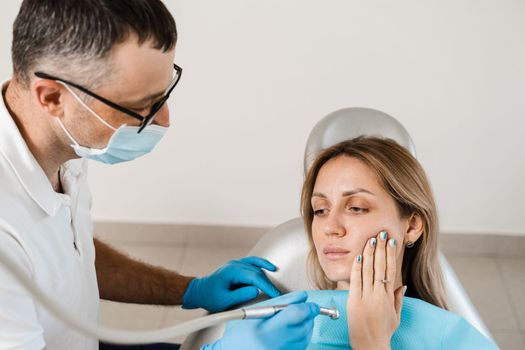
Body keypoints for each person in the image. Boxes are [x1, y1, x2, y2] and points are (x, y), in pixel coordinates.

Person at [0, 1, 319, 349]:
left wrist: (191, 289)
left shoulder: (63, 138)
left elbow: (68, 256)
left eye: (162, 96)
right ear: (52, 97)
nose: (164, 120)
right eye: (140, 107)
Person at [225, 136, 498, 349]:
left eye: (356, 207)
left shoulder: (447, 337)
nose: (330, 227)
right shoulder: (266, 329)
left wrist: (372, 344)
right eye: (320, 210)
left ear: (412, 225)